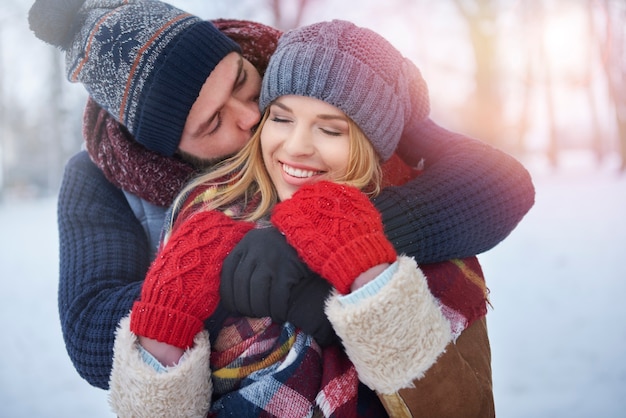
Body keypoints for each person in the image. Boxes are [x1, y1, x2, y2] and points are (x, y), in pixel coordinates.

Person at [28, 0, 534, 392]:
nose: (251, 118)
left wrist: (318, 246)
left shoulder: (314, 81)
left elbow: (498, 183)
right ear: (166, 151)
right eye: (212, 123)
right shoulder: (100, 180)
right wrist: (231, 277)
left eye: (243, 83)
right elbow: (91, 334)